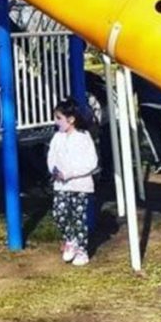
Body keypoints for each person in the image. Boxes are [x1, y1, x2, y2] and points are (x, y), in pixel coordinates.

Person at [47, 97, 99, 267]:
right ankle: (71, 239)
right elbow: (51, 158)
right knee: (59, 214)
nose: (56, 122)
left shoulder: (84, 137)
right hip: (61, 184)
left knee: (78, 217)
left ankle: (82, 250)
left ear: (71, 120)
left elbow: (91, 162)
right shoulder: (57, 138)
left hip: (80, 185)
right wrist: (54, 170)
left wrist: (69, 173)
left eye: (59, 118)